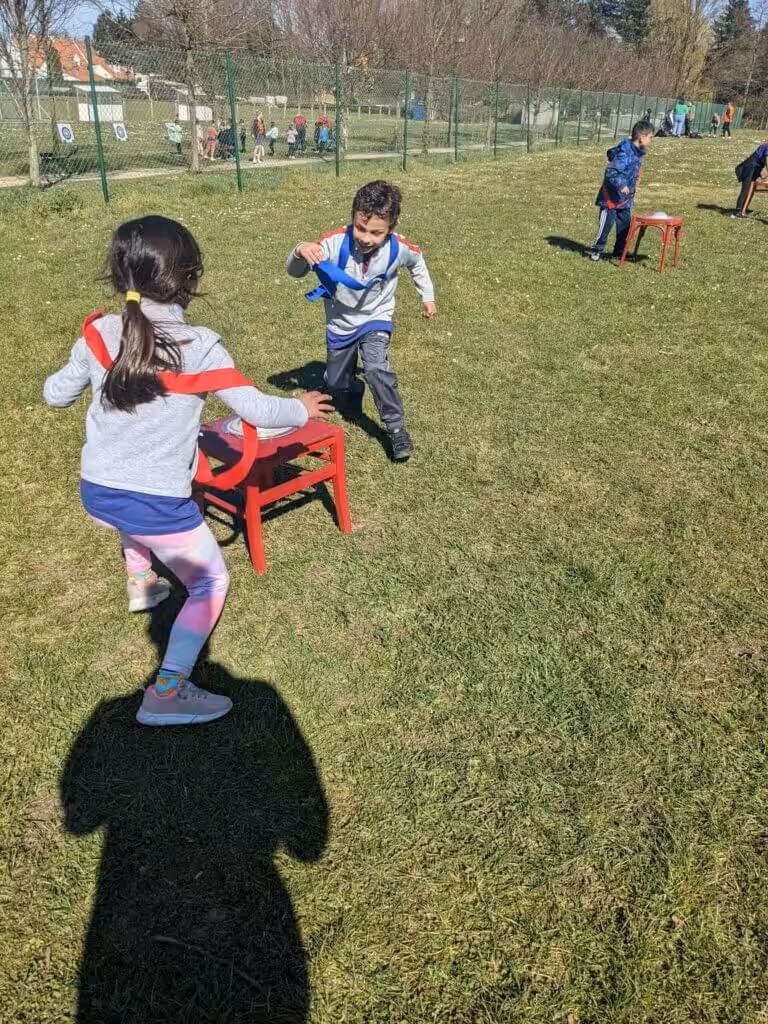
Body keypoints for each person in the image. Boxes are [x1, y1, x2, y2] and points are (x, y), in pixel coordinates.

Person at [43, 215, 332, 726]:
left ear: (118, 275)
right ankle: (168, 692)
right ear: (190, 278)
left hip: (98, 490)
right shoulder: (199, 346)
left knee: (134, 516)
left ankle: (141, 581)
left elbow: (55, 394)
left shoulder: (98, 335)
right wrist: (301, 409)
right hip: (154, 500)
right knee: (209, 583)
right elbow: (260, 412)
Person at [286, 180, 437, 461]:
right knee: (335, 382)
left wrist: (427, 296)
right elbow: (295, 272)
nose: (366, 238)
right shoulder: (333, 242)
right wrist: (299, 250)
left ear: (391, 227)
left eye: (376, 233)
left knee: (377, 368)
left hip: (376, 318)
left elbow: (418, 262)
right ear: (353, 218)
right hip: (340, 324)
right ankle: (352, 388)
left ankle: (396, 429)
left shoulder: (399, 248)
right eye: (360, 228)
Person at [589, 119, 654, 262]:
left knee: (625, 226)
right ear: (641, 137)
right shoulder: (625, 152)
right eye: (650, 137)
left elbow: (634, 172)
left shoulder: (637, 153)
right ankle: (597, 249)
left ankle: (619, 252)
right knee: (606, 225)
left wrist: (634, 186)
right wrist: (622, 185)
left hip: (625, 199)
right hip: (610, 198)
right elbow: (611, 172)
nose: (650, 140)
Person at [732, 140, 768, 217]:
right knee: (745, 190)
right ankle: (738, 211)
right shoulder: (767, 146)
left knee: (750, 189)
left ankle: (743, 209)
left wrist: (761, 174)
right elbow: (767, 162)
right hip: (749, 167)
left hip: (755, 168)